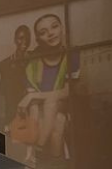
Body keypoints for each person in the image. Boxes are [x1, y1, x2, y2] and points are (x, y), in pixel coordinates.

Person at [12, 12, 81, 158]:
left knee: (52, 102)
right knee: (58, 121)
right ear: (37, 39)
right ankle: (53, 164)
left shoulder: (72, 54)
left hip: (65, 106)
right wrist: (33, 100)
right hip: (40, 114)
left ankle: (39, 146)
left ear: (62, 28)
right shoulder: (33, 61)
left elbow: (66, 92)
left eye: (54, 27)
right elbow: (34, 105)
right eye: (43, 32)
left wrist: (32, 96)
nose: (50, 34)